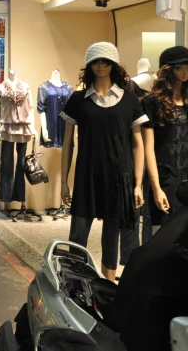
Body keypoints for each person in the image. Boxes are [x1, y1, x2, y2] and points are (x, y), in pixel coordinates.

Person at [60, 42, 146, 281]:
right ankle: (72, 285)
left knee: (111, 238)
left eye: (105, 62)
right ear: (89, 66)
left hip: (118, 177)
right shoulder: (78, 100)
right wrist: (64, 182)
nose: (100, 66)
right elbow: (68, 142)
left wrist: (138, 183)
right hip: (86, 175)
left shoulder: (129, 100)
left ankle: (108, 289)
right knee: (77, 236)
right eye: (96, 62)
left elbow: (137, 142)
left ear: (113, 65)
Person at [140, 46, 188, 243]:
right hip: (164, 177)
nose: (185, 73)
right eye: (179, 68)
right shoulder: (152, 102)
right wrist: (156, 187)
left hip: (186, 175)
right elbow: (148, 148)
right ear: (168, 70)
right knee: (161, 239)